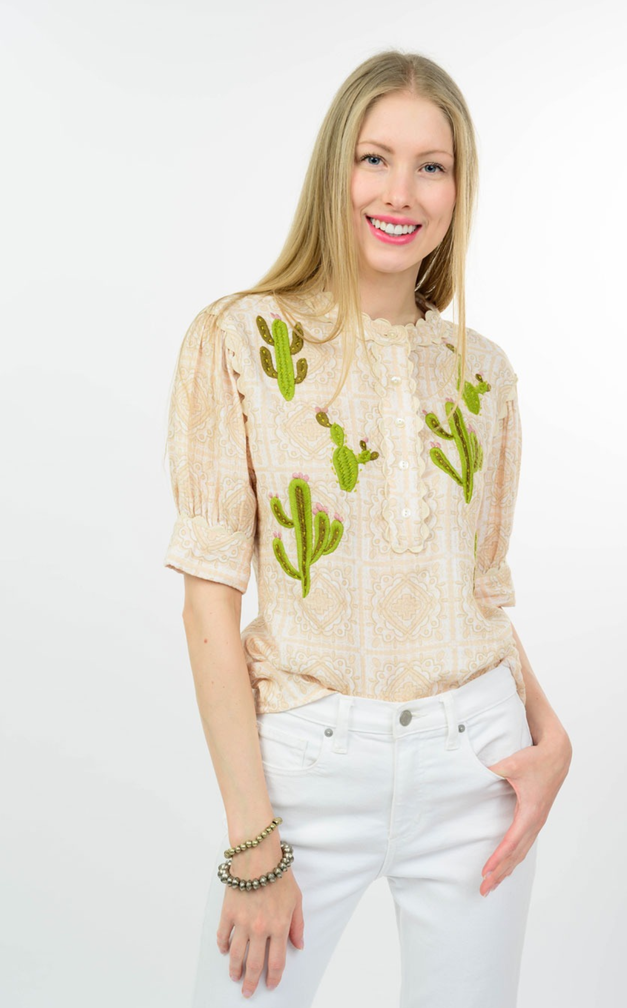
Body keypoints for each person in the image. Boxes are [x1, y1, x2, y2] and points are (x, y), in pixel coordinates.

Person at [162, 49, 572, 1007]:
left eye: (432, 166)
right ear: (334, 171)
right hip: (305, 769)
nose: (401, 193)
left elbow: (478, 591)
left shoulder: (483, 372)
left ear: (458, 190)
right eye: (375, 158)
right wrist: (253, 842)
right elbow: (208, 601)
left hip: (478, 761)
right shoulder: (239, 339)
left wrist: (551, 736)